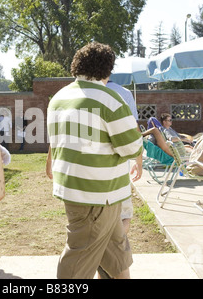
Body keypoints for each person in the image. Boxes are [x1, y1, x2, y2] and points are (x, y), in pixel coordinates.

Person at [46, 42, 143, 279]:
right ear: (108, 70)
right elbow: (132, 147)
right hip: (100, 194)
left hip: (74, 189)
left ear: (76, 65)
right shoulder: (109, 99)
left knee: (117, 255)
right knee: (78, 259)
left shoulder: (58, 97)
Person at [106, 80, 142, 233]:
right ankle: (118, 245)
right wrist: (139, 161)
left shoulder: (79, 92)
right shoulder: (124, 93)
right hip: (119, 162)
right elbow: (134, 130)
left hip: (89, 167)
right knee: (124, 215)